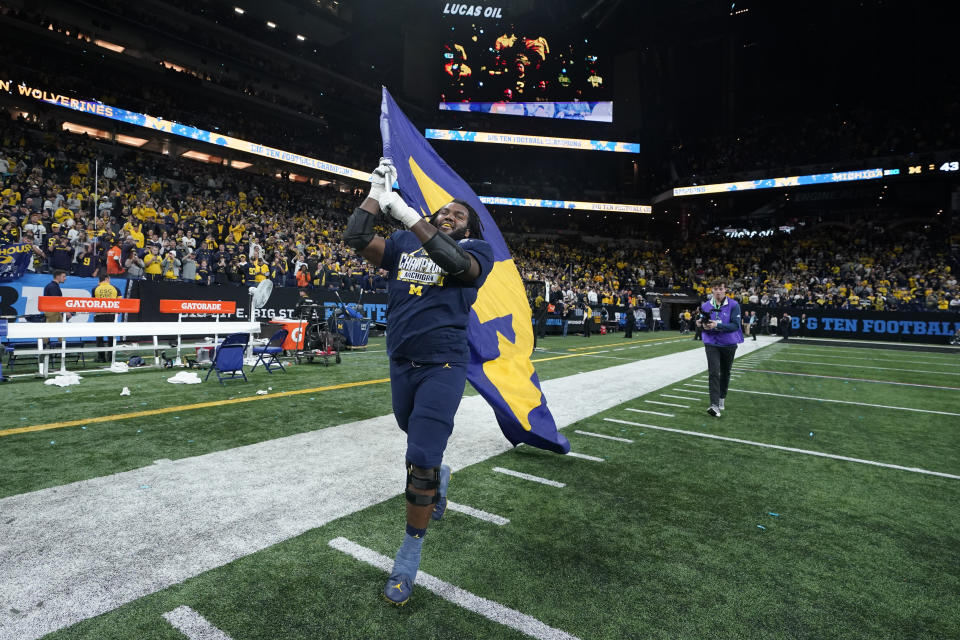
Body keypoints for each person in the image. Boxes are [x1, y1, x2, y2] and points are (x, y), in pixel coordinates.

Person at [342, 158, 493, 607]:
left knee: (420, 457)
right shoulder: (405, 243)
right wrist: (375, 192)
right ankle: (439, 476)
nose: (449, 214)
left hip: (444, 364)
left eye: (458, 214)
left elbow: (454, 263)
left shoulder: (476, 252)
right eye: (444, 210)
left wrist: (409, 214)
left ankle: (407, 557)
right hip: (401, 362)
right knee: (412, 432)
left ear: (470, 228)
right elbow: (356, 239)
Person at [696, 279, 743, 417]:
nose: (718, 291)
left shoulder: (734, 305)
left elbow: (735, 326)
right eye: (715, 289)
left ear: (725, 290)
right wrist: (700, 323)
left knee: (725, 372)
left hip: (729, 343)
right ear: (711, 290)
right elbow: (701, 320)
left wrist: (717, 325)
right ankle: (714, 405)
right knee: (714, 372)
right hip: (711, 342)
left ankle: (721, 397)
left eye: (720, 289)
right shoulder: (705, 305)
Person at [92, 274, 119, 362]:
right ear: (107, 279)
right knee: (111, 337)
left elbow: (93, 302)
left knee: (99, 337)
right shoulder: (115, 288)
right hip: (112, 315)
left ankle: (101, 357)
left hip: (99, 315)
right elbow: (120, 303)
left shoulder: (95, 289)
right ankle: (111, 357)